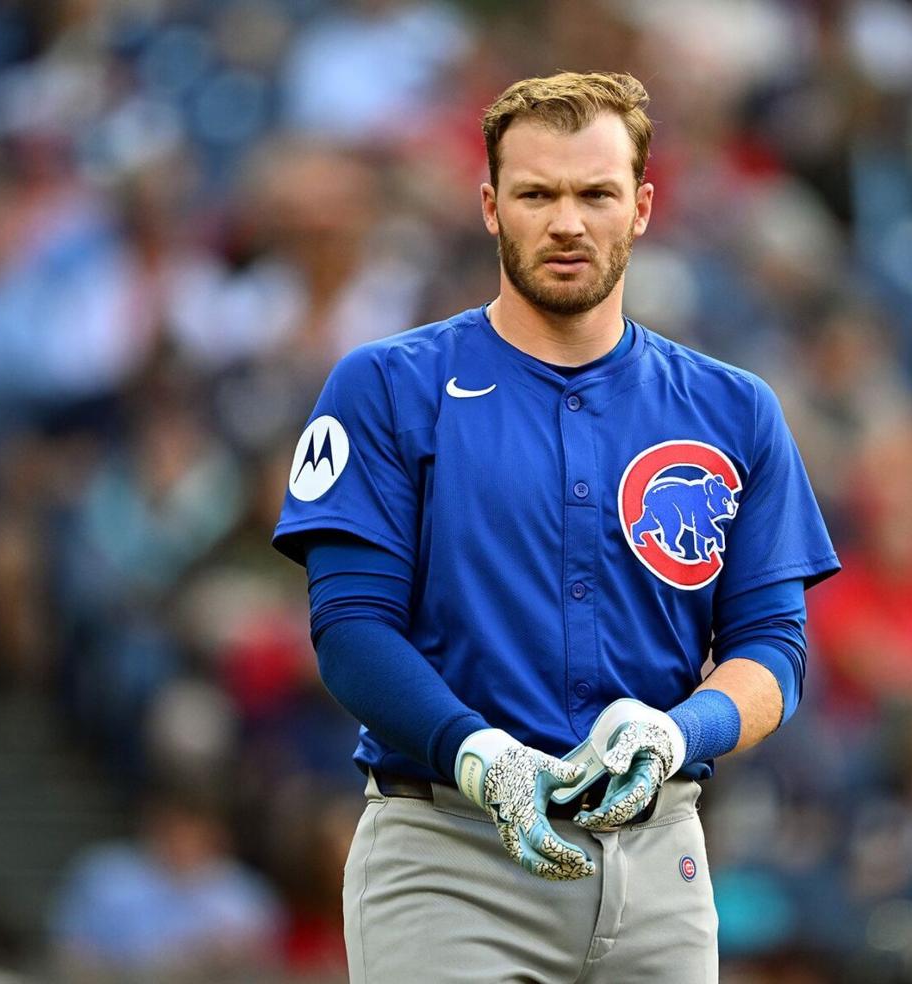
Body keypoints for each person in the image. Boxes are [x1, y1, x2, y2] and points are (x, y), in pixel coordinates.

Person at [273, 71, 839, 983]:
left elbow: (775, 652)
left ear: (644, 206)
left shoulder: (735, 410)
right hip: (450, 858)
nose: (567, 222)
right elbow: (348, 631)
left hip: (661, 858)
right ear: (491, 206)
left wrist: (677, 734)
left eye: (595, 194)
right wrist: (480, 755)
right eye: (537, 194)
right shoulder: (386, 385)